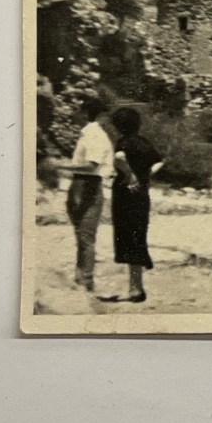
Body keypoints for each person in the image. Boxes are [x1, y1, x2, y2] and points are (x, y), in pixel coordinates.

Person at [104, 107, 163, 303]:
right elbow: (158, 162)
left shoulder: (124, 142)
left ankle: (135, 289)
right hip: (141, 195)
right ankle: (136, 287)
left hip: (125, 194)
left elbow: (119, 158)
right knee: (138, 236)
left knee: (127, 238)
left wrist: (130, 175)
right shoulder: (144, 142)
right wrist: (145, 177)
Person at [57, 96, 114, 292]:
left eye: (78, 110)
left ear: (85, 113)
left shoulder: (95, 135)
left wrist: (60, 166)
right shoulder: (87, 134)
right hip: (80, 184)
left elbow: (91, 166)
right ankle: (80, 279)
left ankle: (86, 281)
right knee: (81, 235)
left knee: (86, 236)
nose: (74, 114)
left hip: (88, 185)